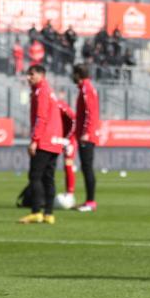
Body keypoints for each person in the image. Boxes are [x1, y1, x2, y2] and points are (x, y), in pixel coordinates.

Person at [18, 64, 63, 225]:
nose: (29, 77)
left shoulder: (41, 91)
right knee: (48, 178)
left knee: (35, 176)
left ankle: (36, 212)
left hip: (44, 140)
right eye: (28, 74)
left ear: (42, 75)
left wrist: (34, 140)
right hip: (55, 141)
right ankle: (49, 214)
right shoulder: (49, 91)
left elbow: (41, 117)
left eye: (32, 74)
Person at [73, 63, 100, 211]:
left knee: (87, 167)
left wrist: (86, 132)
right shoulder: (85, 88)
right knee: (85, 167)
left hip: (87, 136)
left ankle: (91, 202)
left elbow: (90, 113)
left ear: (78, 74)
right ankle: (88, 201)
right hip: (86, 134)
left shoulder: (86, 89)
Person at [56, 91, 77, 205]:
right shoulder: (46, 106)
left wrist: (68, 139)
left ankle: (70, 193)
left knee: (68, 164)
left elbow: (74, 120)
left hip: (69, 139)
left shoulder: (59, 106)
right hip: (56, 138)